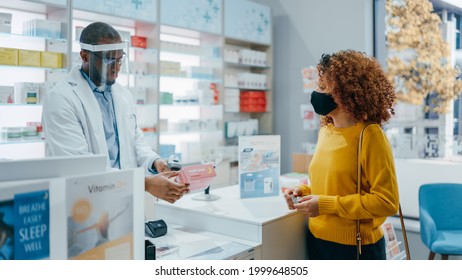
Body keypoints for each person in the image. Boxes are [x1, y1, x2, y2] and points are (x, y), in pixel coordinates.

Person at [42, 22, 188, 203]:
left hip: (125, 199)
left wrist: (154, 162)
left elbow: (135, 141)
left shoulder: (123, 95)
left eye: (119, 59)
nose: (116, 66)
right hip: (85, 203)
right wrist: (145, 184)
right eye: (108, 60)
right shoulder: (60, 98)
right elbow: (77, 166)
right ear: (84, 56)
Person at [284, 50, 400, 260]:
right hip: (317, 240)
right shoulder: (326, 132)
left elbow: (386, 201)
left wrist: (326, 204)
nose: (316, 92)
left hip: (355, 248)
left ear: (346, 92)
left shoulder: (370, 135)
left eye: (323, 87)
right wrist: (302, 192)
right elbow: (333, 186)